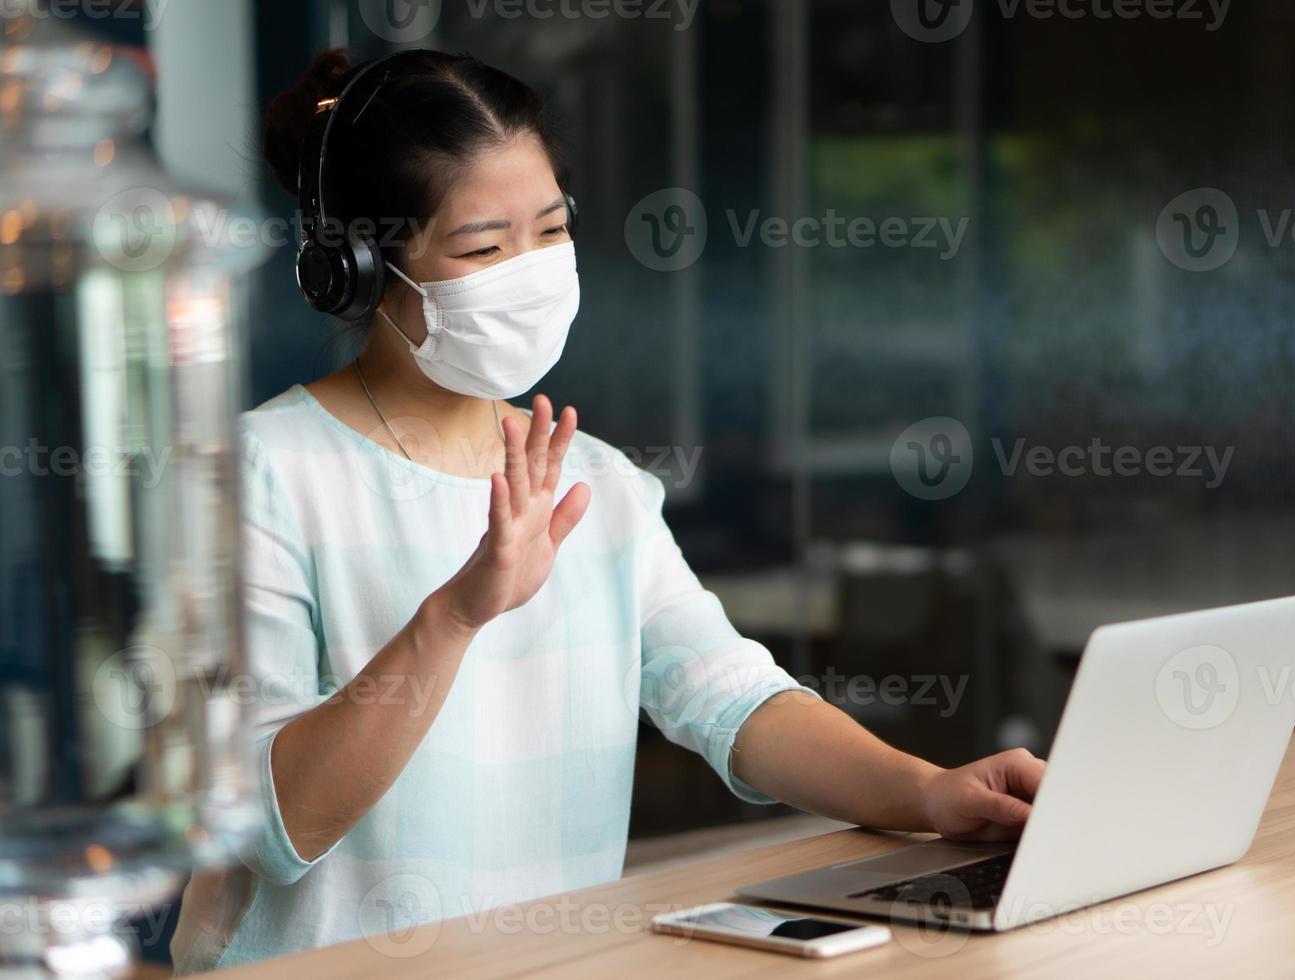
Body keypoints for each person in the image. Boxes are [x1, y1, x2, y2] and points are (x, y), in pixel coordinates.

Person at [170, 48, 1045, 973]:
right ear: (354, 267)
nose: (532, 270)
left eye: (551, 229)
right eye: (482, 247)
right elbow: (268, 826)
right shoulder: (259, 475)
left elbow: (729, 698)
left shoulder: (600, 481)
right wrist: (457, 614)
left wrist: (932, 792)